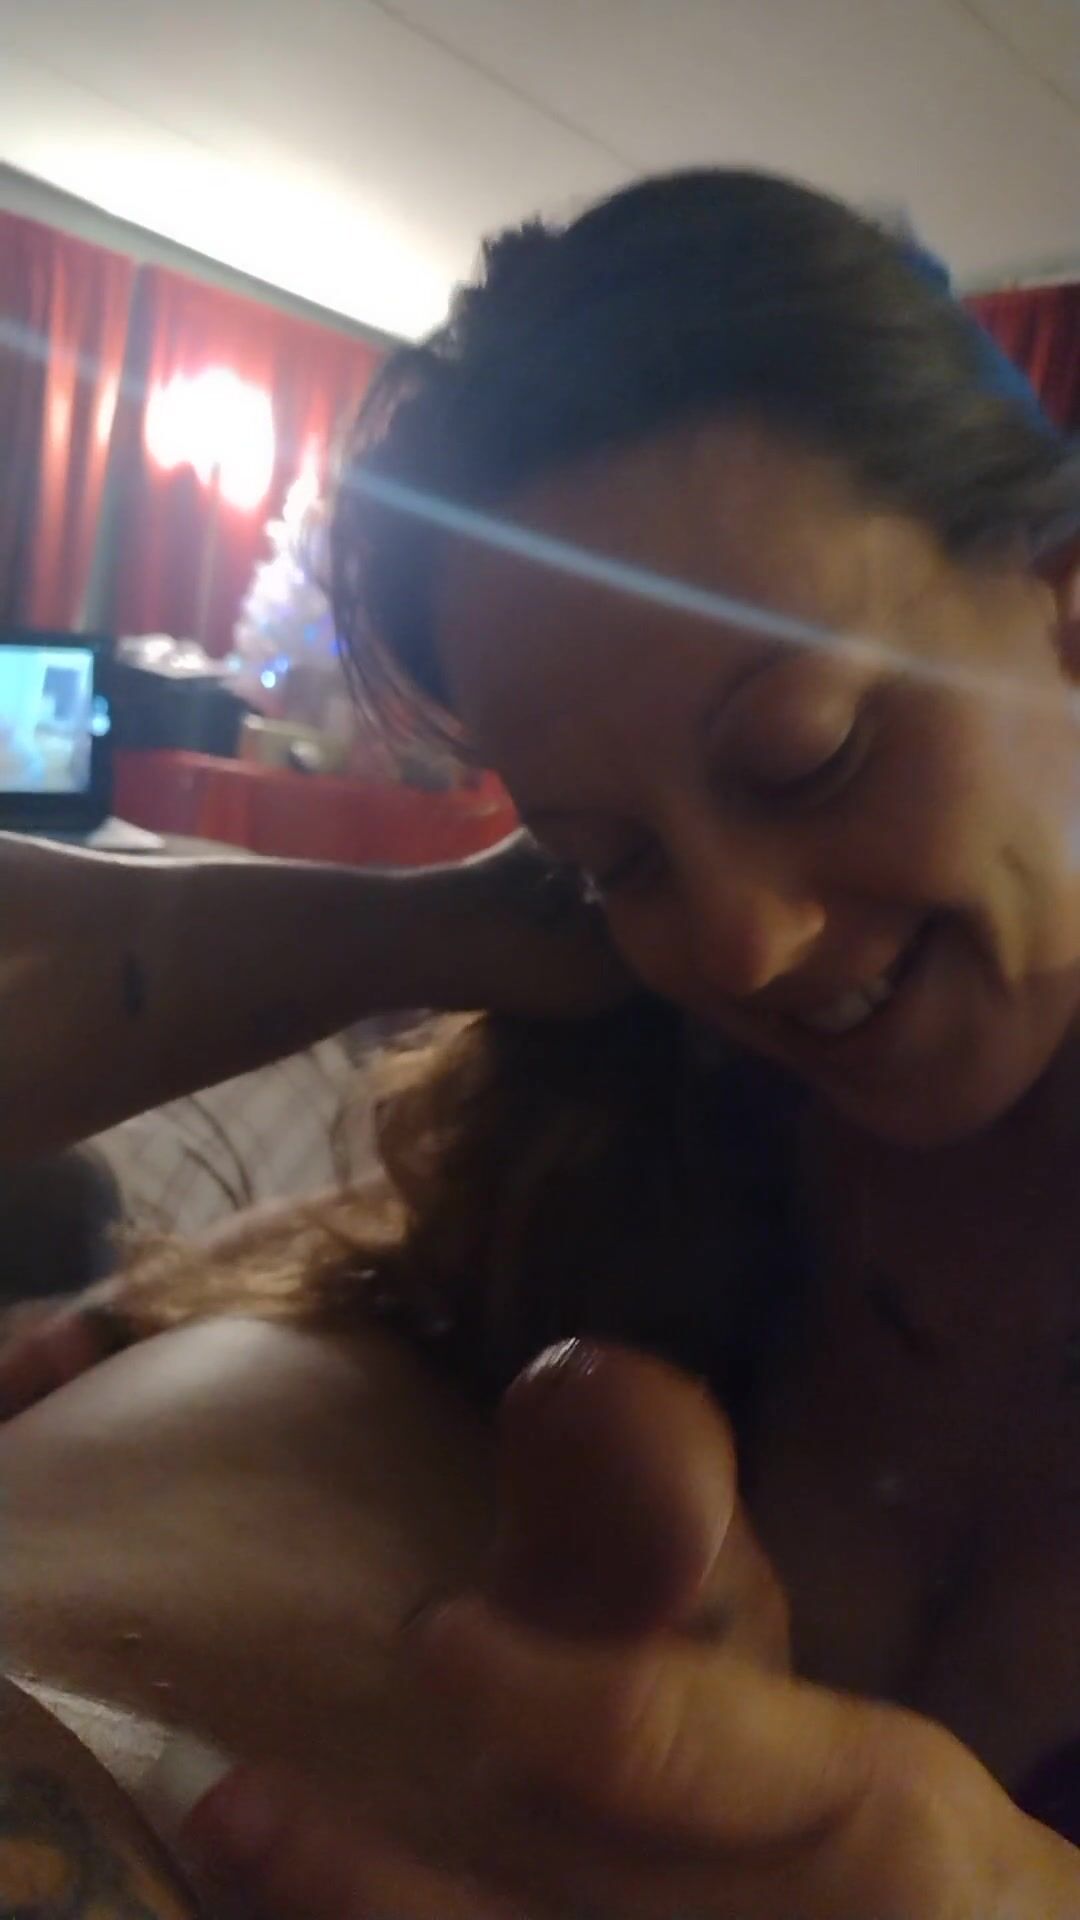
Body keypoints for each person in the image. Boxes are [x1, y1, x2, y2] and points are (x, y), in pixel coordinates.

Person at [3, 165, 1080, 1917]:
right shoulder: (663, 1119)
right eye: (610, 856)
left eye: (808, 753)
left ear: (1063, 609)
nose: (736, 945)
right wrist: (451, 924)